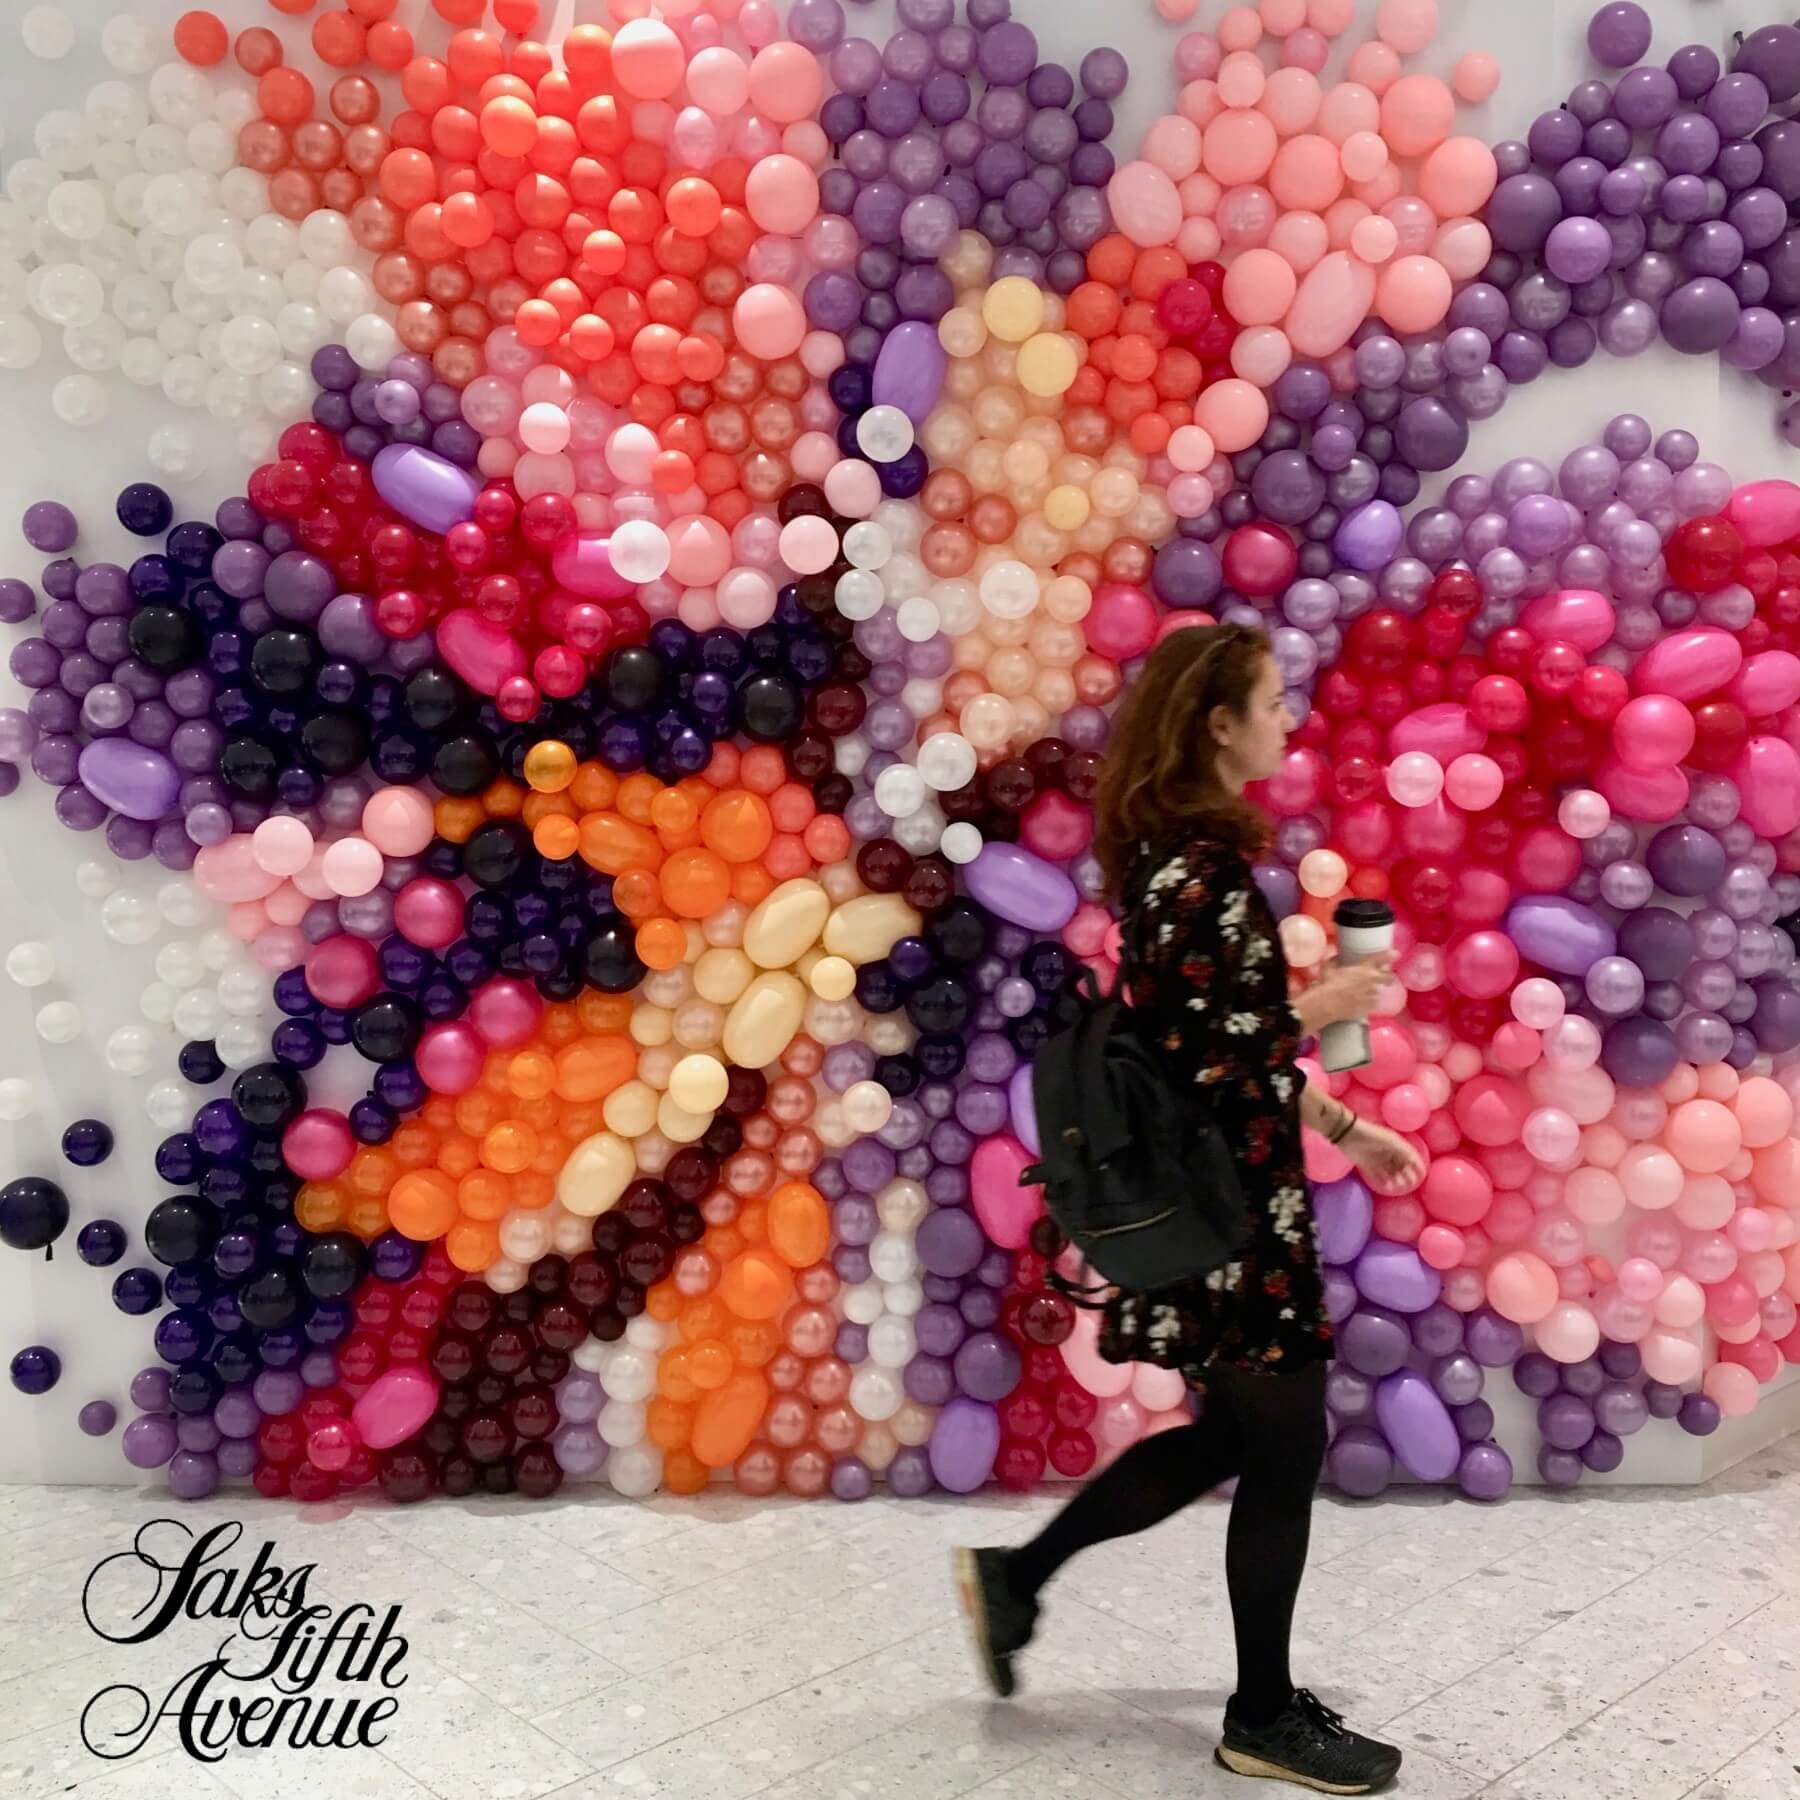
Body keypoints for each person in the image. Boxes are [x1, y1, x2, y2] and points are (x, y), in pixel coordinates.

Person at [954, 624, 1426, 1795]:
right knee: (1286, 1443)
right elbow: (1209, 1056)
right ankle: (1260, 1715)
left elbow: (1211, 1055)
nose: (1285, 721)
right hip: (1237, 1223)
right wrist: (1327, 1002)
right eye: (1269, 702)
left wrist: (1344, 1128)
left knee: (1237, 1434)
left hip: (1232, 1202)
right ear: (1217, 724)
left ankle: (1017, 1580)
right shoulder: (1197, 876)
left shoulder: (1175, 864)